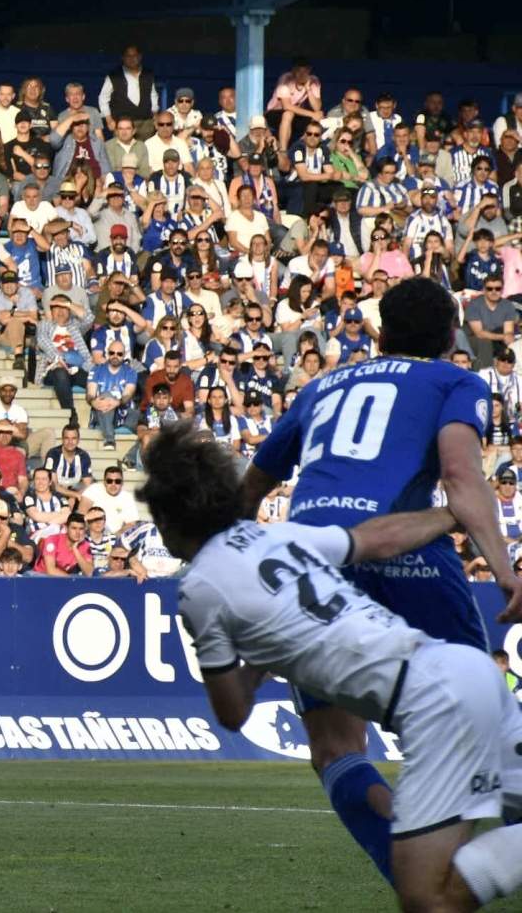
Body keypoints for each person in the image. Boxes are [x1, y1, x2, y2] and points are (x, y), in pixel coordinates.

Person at [143, 421, 522, 912]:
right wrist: (451, 515)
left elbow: (233, 711)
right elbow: (376, 538)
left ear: (170, 521)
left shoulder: (198, 591)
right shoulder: (276, 539)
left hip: (433, 704)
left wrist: (257, 659)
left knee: (428, 897)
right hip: (465, 670)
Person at [241, 276, 522, 882]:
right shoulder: (455, 379)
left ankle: (417, 876)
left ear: (382, 334)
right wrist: (506, 573)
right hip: (410, 555)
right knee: (480, 719)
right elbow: (460, 475)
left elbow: (250, 489)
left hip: (313, 567)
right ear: (453, 335)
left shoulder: (319, 387)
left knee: (338, 749)